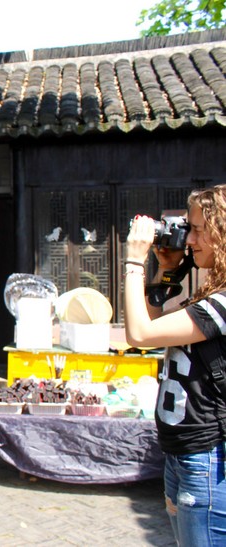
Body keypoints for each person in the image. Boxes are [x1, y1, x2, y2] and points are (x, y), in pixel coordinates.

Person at [125, 184, 226, 546]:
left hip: (209, 459)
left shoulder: (224, 304)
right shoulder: (211, 295)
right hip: (182, 454)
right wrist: (167, 271)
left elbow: (138, 333)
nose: (191, 239)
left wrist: (135, 260)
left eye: (199, 229)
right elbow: (151, 322)